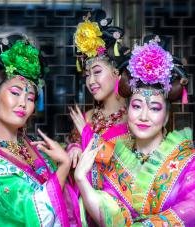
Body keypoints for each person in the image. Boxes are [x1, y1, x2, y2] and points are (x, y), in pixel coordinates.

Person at [73, 35, 195, 226]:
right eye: (137, 106)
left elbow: (193, 208)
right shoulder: (116, 159)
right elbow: (109, 216)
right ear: (127, 109)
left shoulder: (185, 160)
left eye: (155, 108)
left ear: (166, 116)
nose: (144, 116)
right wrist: (81, 179)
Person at [0, 34, 80, 227]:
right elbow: (35, 215)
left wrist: (73, 147)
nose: (23, 103)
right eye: (15, 93)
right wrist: (63, 165)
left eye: (30, 98)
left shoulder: (27, 142)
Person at [68, 10, 132, 191]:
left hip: (120, 214)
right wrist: (73, 148)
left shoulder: (134, 118)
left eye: (97, 72)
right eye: (87, 75)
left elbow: (130, 173)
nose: (90, 81)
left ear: (116, 72)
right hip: (85, 211)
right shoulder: (87, 117)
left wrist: (87, 135)